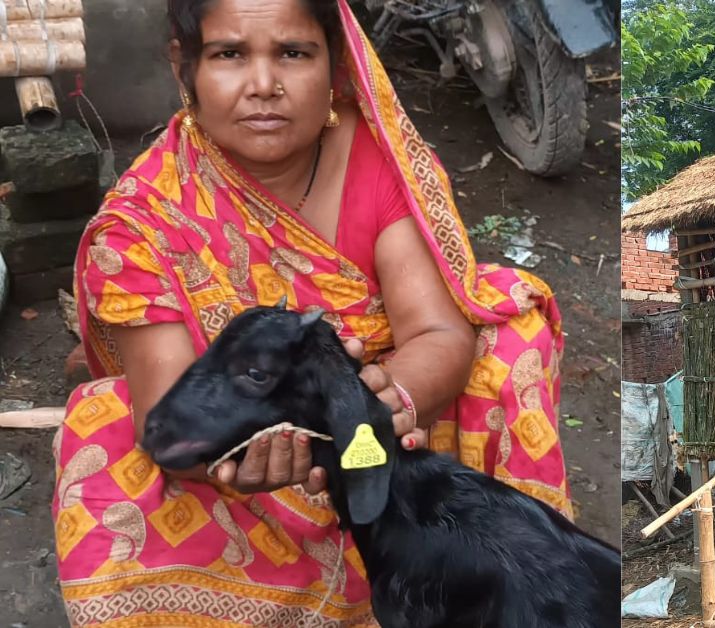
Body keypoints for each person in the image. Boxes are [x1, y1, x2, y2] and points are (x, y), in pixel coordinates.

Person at [51, 0, 572, 624]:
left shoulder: (378, 158)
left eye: (293, 53)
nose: (264, 85)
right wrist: (255, 447)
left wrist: (377, 410)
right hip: (239, 454)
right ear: (182, 66)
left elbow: (435, 331)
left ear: (335, 63)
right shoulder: (143, 222)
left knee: (510, 344)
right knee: (105, 447)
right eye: (229, 54)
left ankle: (482, 580)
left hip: (387, 429)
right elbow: (170, 418)